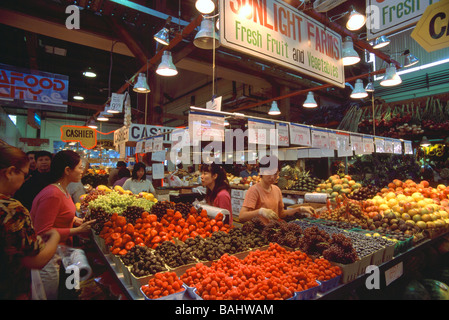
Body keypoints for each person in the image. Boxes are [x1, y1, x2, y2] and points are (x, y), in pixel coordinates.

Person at [30, 150, 96, 300]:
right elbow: (43, 231)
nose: (82, 171)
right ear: (67, 170)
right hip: (48, 258)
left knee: (67, 291)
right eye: (79, 167)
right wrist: (77, 229)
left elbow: (60, 214)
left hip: (63, 253)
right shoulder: (52, 194)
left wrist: (74, 219)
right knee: (52, 295)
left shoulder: (62, 190)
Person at [0, 144, 60, 300]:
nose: (25, 180)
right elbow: (36, 260)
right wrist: (55, 237)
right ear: (10, 172)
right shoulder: (11, 210)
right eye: (24, 175)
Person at [239, 155, 315, 224]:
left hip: (273, 231)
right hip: (258, 234)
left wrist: (299, 209)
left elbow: (281, 214)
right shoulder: (254, 190)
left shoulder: (277, 190)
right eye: (269, 172)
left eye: (275, 174)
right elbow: (242, 216)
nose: (272, 177)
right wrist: (260, 211)